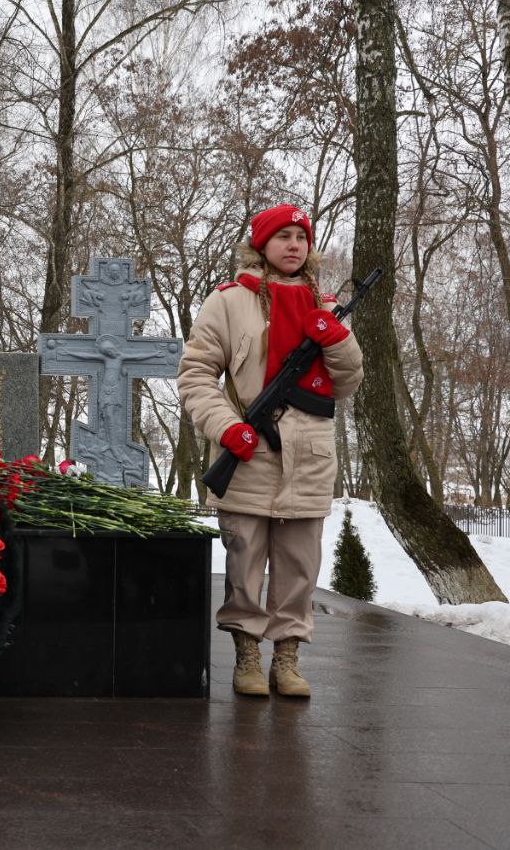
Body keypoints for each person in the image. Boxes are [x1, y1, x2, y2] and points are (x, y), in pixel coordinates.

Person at [176, 204, 363, 697]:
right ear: (261, 245)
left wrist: (336, 339)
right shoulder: (228, 302)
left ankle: (286, 658)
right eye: (282, 236)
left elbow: (347, 383)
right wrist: (226, 426)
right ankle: (246, 657)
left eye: (301, 237)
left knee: (300, 565)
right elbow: (196, 376)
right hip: (249, 448)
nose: (294, 245)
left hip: (310, 452)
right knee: (244, 561)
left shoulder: (322, 304)